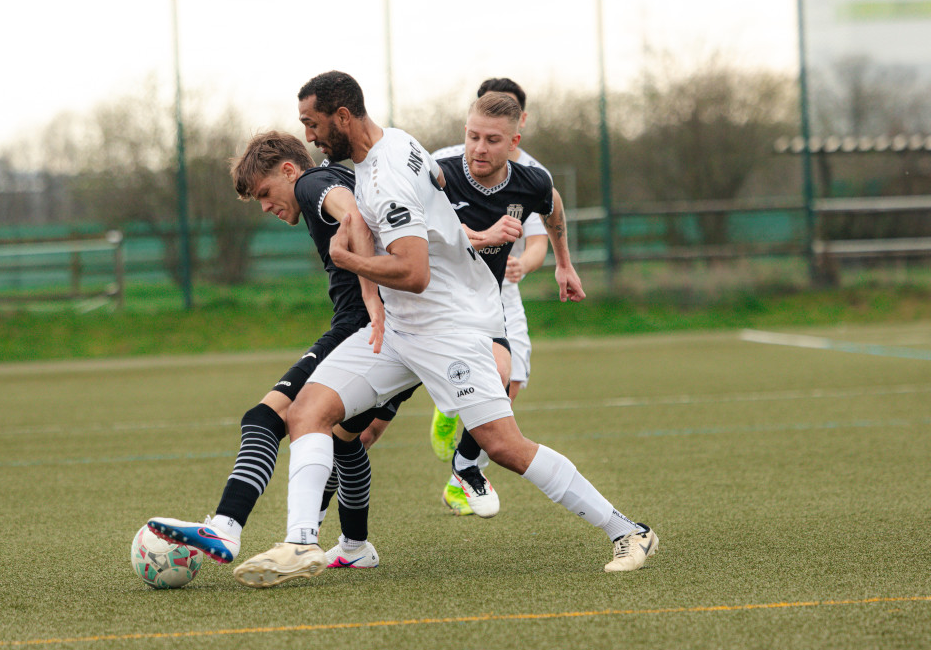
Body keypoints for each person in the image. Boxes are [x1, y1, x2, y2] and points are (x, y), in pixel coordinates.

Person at [232, 71, 658, 588]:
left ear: (342, 117)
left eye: (313, 124)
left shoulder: (387, 173)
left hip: (448, 327)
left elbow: (414, 272)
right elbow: (409, 217)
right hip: (399, 330)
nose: (311, 137)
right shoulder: (398, 145)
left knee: (503, 446)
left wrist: (348, 261)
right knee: (308, 412)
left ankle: (629, 530)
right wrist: (372, 296)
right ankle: (300, 543)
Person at [147, 131, 412, 570]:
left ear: (289, 170)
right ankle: (354, 547)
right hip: (401, 332)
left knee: (265, 417)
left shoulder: (311, 184)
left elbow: (355, 218)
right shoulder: (341, 177)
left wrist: (368, 296)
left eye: (266, 193)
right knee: (346, 440)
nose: (266, 207)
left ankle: (227, 526)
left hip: (362, 329)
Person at [429, 78, 555, 516]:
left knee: (510, 379)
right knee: (366, 421)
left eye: (495, 137)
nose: (481, 146)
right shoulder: (444, 165)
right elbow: (428, 230)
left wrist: (540, 263)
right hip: (441, 294)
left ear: (518, 128)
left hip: (502, 291)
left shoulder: (531, 175)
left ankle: (462, 472)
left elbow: (544, 227)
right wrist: (482, 237)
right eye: (475, 134)